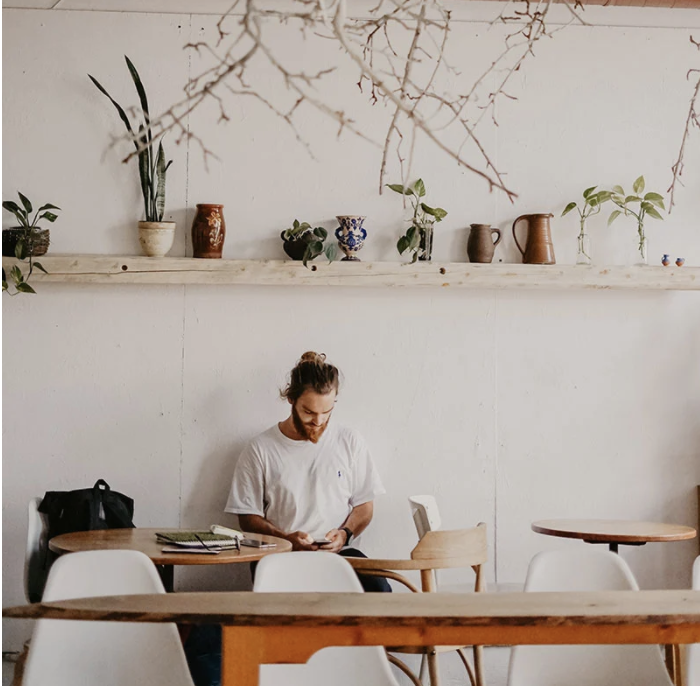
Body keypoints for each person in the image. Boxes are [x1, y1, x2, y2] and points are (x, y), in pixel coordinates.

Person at [225, 350, 390, 592]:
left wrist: (344, 534)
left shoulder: (350, 441)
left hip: (341, 554)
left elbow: (365, 507)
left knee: (378, 589)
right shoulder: (260, 449)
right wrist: (286, 538)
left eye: (327, 412)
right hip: (280, 555)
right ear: (291, 399)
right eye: (309, 412)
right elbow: (247, 517)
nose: (319, 421)